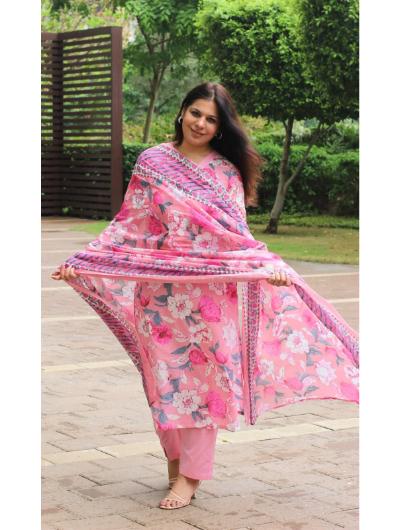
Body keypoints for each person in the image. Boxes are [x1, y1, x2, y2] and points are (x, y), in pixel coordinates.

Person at [51, 82, 359, 510]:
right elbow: (129, 224)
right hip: (159, 296)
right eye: (196, 113)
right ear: (182, 112)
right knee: (164, 382)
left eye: (211, 119)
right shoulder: (152, 162)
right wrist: (84, 261)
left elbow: (236, 236)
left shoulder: (225, 173)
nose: (200, 123)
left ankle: (191, 476)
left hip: (210, 297)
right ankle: (175, 462)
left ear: (220, 128)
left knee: (203, 385)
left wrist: (266, 268)